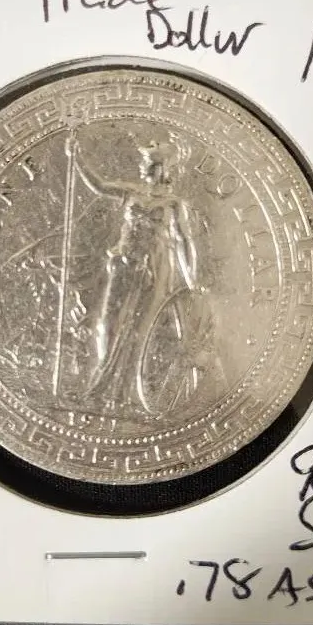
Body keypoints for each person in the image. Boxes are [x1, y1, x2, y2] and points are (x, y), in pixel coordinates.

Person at [65, 131, 200, 416]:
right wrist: (77, 158)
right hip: (124, 264)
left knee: (141, 330)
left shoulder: (174, 204)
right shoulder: (130, 192)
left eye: (147, 164)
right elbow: (99, 185)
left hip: (157, 268)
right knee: (108, 324)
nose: (141, 168)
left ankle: (125, 396)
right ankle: (98, 385)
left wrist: (191, 279)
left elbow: (184, 241)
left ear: (161, 168)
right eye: (142, 163)